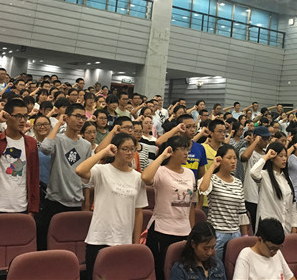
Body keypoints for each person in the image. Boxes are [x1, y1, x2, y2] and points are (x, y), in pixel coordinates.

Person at [75, 133, 147, 280]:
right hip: (99, 238)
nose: (129, 152)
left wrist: (135, 243)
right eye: (125, 149)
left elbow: (138, 212)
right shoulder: (102, 170)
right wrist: (103, 152)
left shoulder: (138, 177)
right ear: (115, 150)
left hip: (124, 239)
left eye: (132, 149)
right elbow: (80, 170)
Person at [37, 103, 92, 249]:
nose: (80, 120)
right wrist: (58, 124)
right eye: (77, 116)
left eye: (83, 117)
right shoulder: (58, 139)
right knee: (49, 243)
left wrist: (86, 203)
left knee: (71, 243)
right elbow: (45, 148)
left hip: (76, 201)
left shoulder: (86, 145)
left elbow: (86, 177)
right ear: (66, 117)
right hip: (55, 200)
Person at [142, 135, 196, 280]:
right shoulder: (161, 171)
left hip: (184, 230)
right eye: (183, 149)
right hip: (162, 229)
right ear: (172, 150)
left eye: (188, 149)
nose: (187, 153)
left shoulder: (190, 174)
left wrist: (191, 230)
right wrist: (162, 156)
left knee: (182, 271)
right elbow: (145, 177)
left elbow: (191, 205)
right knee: (161, 271)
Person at [198, 145, 249, 259]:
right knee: (215, 265)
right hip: (217, 233)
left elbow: (242, 211)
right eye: (229, 158)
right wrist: (213, 166)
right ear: (220, 159)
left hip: (235, 233)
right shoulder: (212, 179)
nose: (233, 161)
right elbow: (203, 189)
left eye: (235, 158)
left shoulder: (238, 182)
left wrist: (244, 236)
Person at [250, 142, 297, 234]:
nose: (284, 159)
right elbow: (253, 172)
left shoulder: (287, 178)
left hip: (286, 227)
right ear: (272, 158)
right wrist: (267, 156)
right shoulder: (264, 175)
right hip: (268, 229)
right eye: (281, 156)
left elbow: (292, 204)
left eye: (285, 156)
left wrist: (294, 226)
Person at [240, 127, 271, 226]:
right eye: (263, 139)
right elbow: (244, 157)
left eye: (268, 139)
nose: (266, 142)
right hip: (250, 196)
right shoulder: (248, 151)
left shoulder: (267, 154)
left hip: (263, 196)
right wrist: (255, 141)